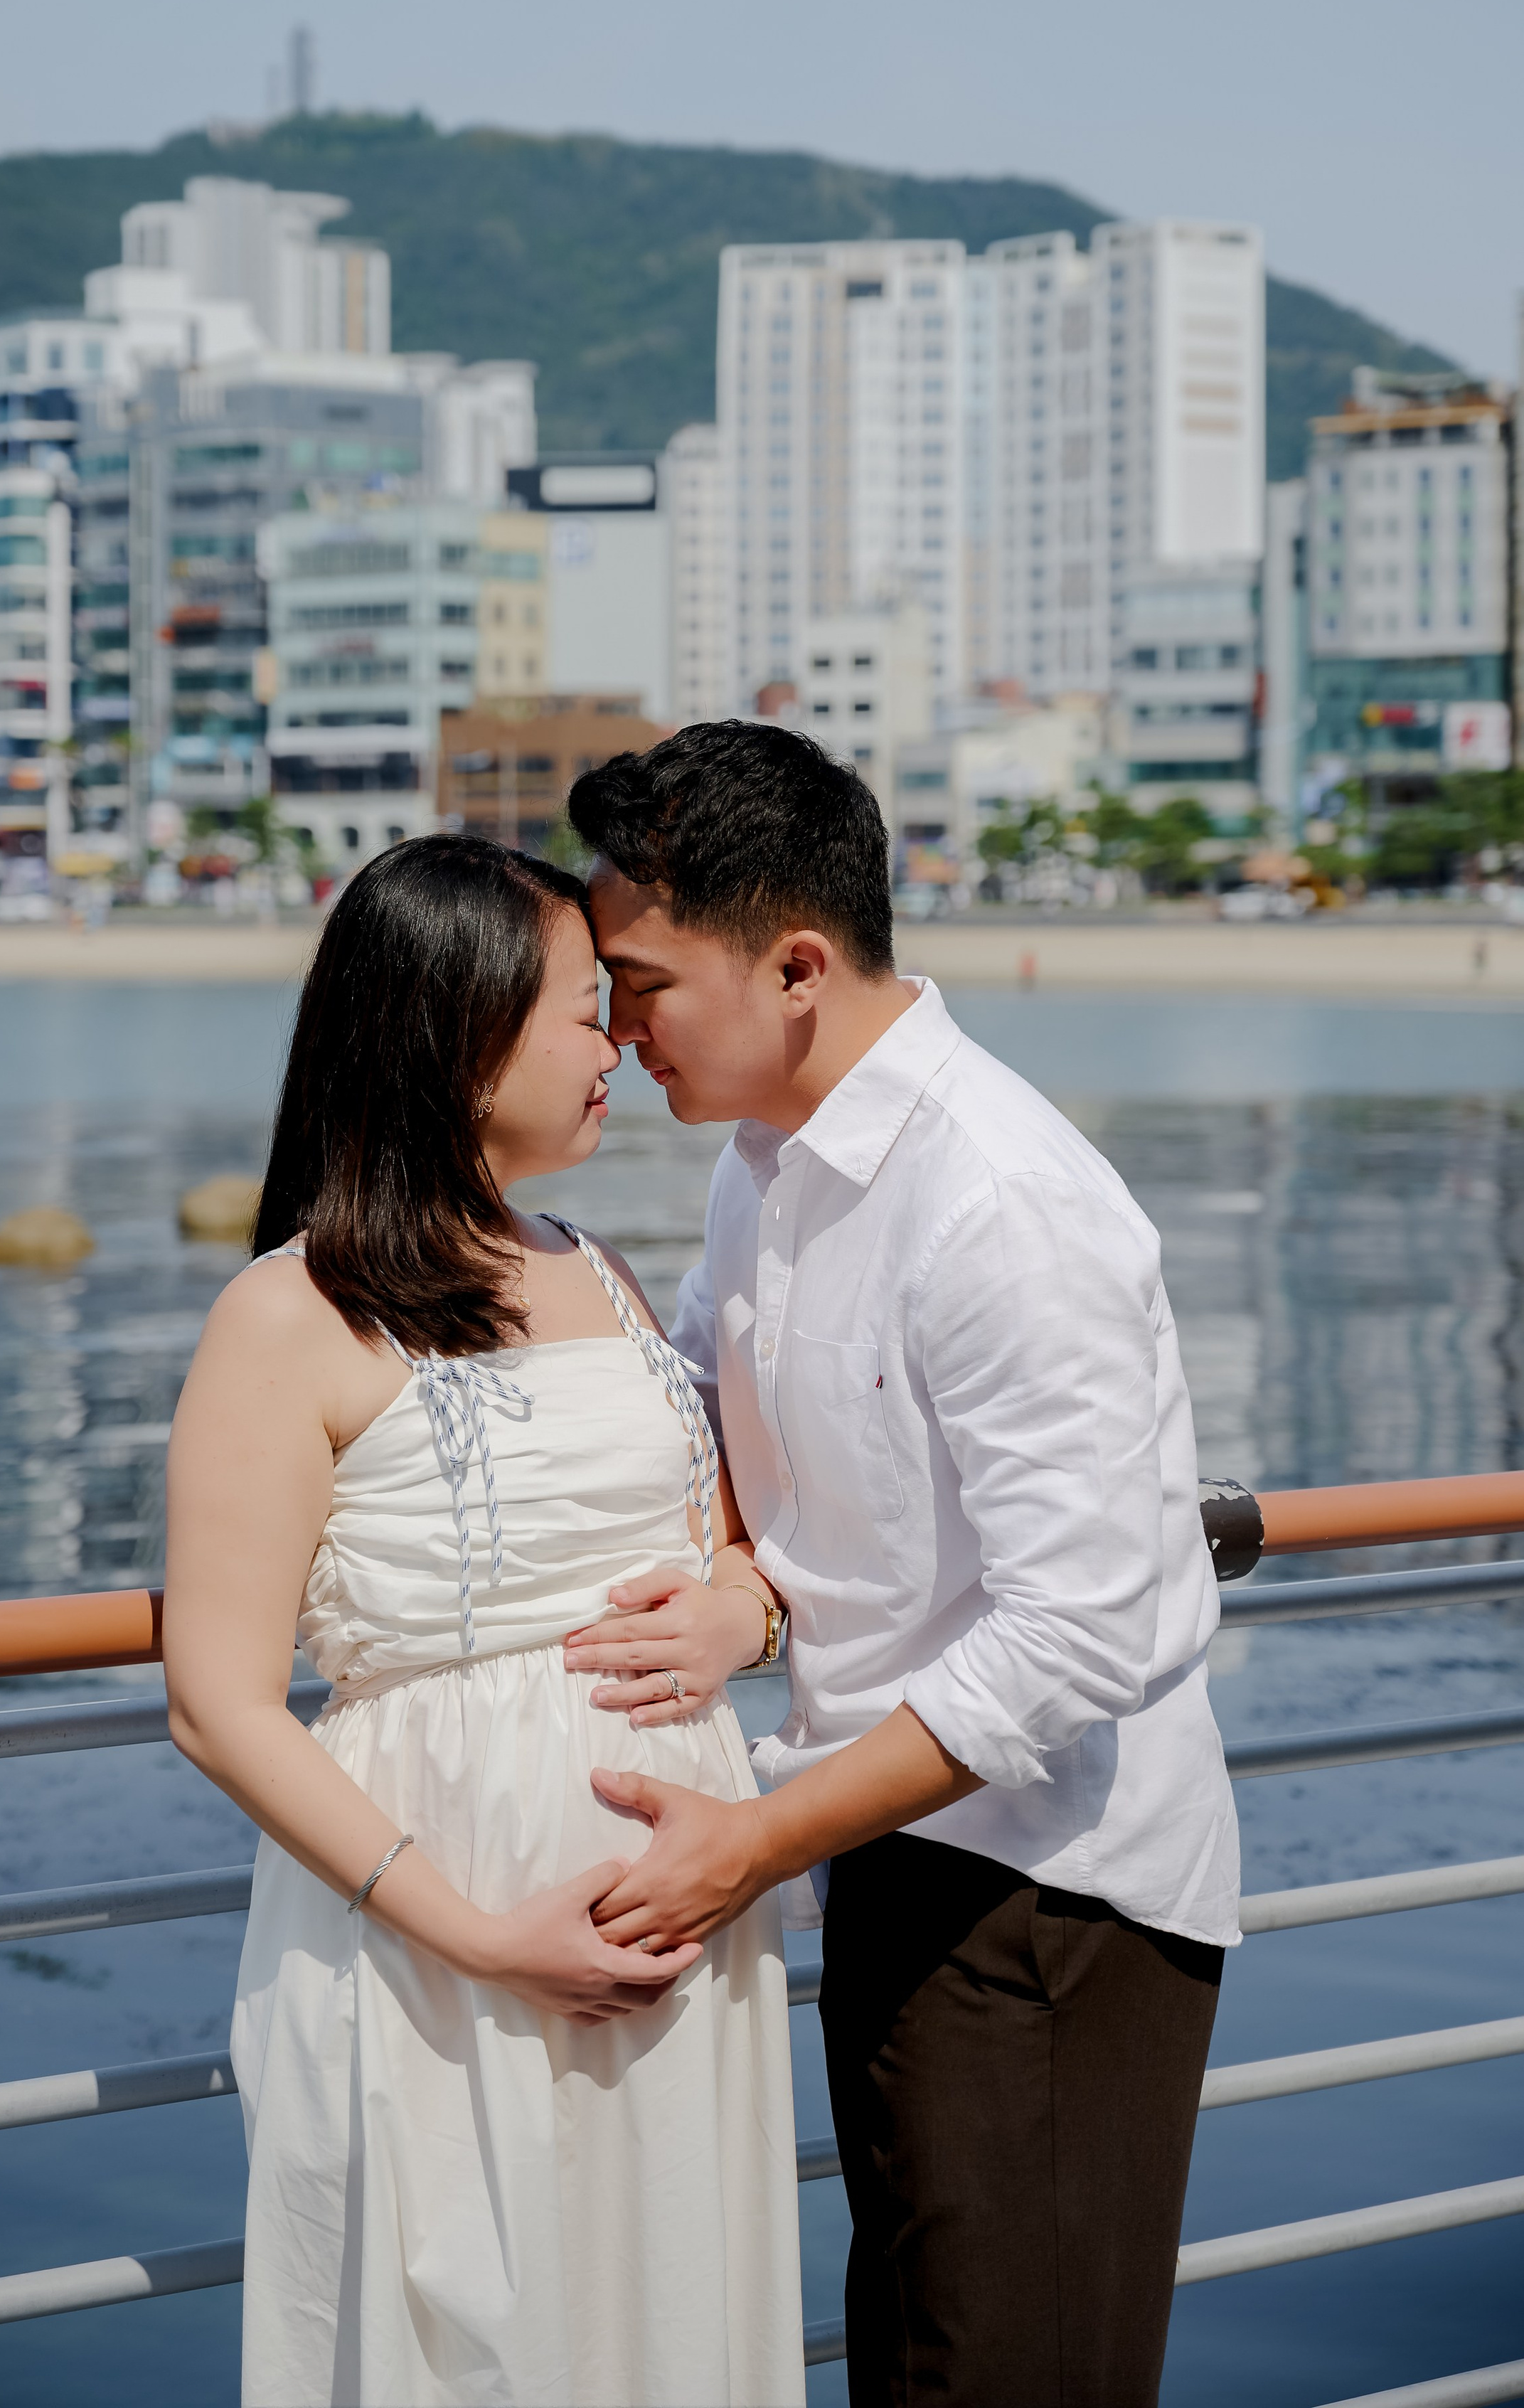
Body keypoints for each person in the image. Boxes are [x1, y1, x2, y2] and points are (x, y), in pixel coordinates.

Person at [561, 721, 1240, 2408]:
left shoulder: (994, 1195)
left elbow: (1077, 1629)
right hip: (883, 1836)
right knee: (920, 2357)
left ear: (793, 963)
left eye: (638, 982)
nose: (614, 1025)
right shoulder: (761, 1168)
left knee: (1010, 2371)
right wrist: (747, 1582)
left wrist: (751, 1841)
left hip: (1047, 1891)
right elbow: (725, 1429)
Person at [163, 833, 806, 2408]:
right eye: (586, 1009)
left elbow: (725, 1546)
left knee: (659, 2322)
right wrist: (481, 1931)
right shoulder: (289, 1309)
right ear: (456, 1033)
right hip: (439, 1934)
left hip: (675, 1928)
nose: (619, 1044)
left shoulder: (602, 1271)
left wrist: (742, 1613)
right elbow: (220, 1697)